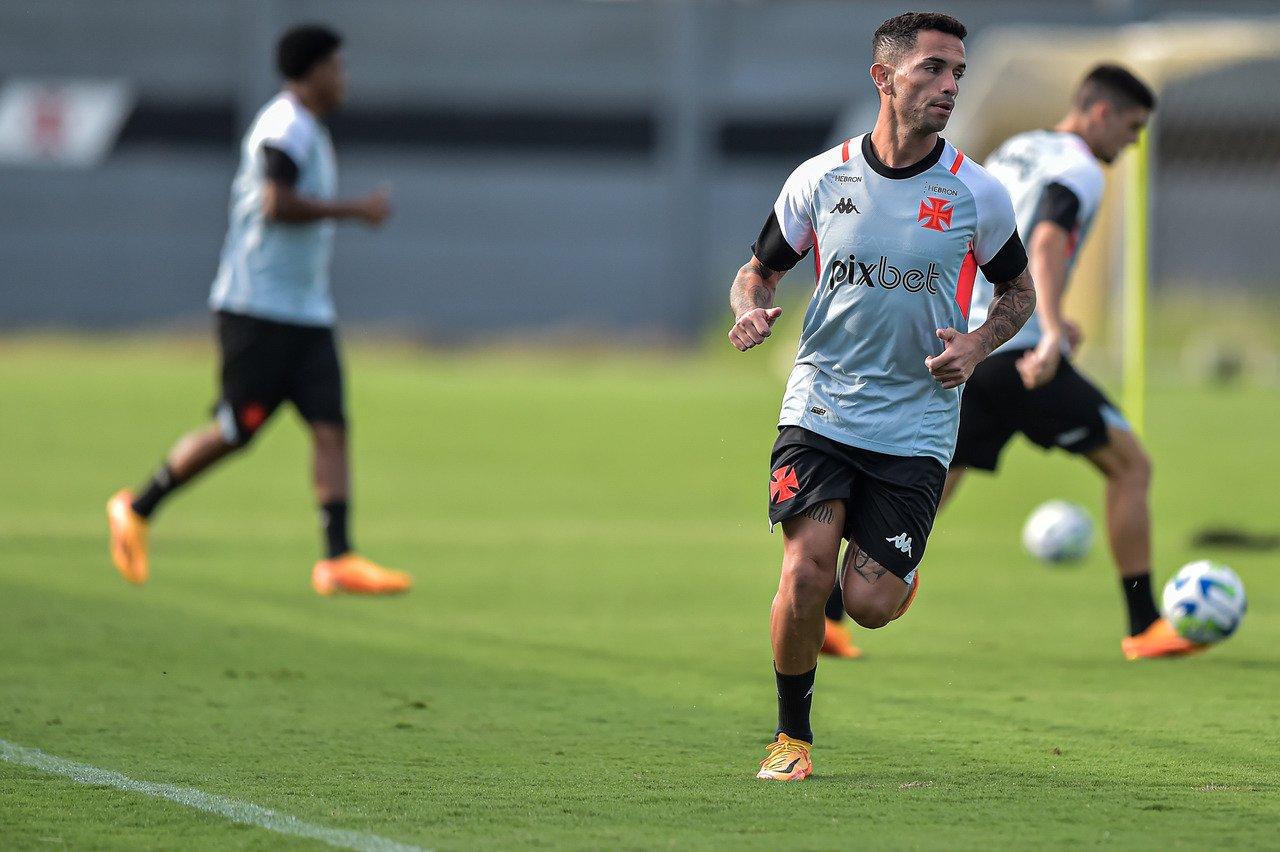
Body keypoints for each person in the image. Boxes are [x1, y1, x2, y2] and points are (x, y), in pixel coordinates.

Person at [728, 11, 1035, 781]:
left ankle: (894, 576)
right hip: (821, 406)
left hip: (918, 422)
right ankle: (791, 739)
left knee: (866, 605)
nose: (949, 85)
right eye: (932, 68)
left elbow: (1019, 293)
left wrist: (977, 344)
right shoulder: (820, 178)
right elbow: (758, 272)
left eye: (957, 72)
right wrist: (749, 310)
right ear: (883, 77)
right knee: (805, 573)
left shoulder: (976, 193)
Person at [106, 24, 411, 596]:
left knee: (331, 427)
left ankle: (338, 558)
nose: (344, 78)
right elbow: (276, 204)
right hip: (257, 310)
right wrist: (354, 211)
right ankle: (137, 508)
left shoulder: (311, 129)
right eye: (337, 67)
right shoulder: (285, 126)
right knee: (235, 430)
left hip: (307, 312)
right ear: (312, 72)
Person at [945, 65, 1190, 660]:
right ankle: (1145, 627)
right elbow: (1047, 241)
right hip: (1022, 350)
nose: (1132, 143)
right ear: (1100, 113)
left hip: (971, 344)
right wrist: (1051, 328)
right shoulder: (1079, 168)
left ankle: (830, 611)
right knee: (1131, 467)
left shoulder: (1014, 150)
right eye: (1131, 128)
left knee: (932, 483)